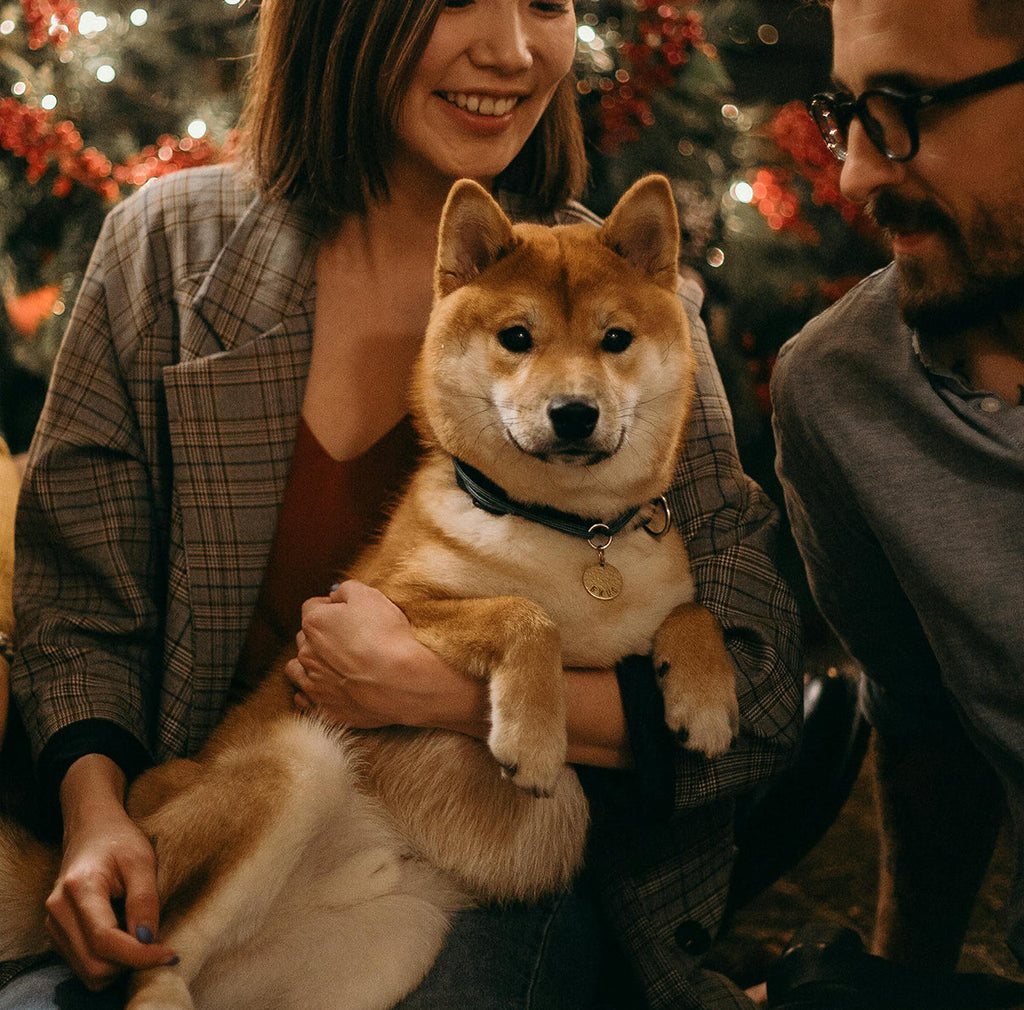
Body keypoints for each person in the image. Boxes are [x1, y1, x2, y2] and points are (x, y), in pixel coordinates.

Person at [0, 0, 802, 1007]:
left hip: (492, 874)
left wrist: (451, 693)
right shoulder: (160, 254)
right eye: (458, 1)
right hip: (235, 829)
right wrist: (95, 811)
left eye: (547, 4)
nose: (511, 50)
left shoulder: (632, 311)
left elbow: (765, 695)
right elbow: (77, 608)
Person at [772, 0, 1024, 981]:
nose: (853, 173)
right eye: (850, 113)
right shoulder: (842, 389)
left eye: (904, 106)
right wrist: (896, 988)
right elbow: (927, 720)